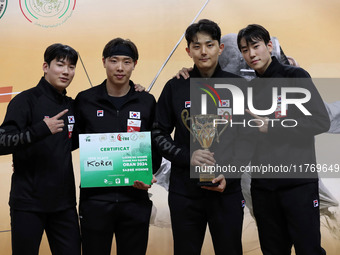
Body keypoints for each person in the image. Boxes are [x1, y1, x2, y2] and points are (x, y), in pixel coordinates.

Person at [153, 19, 252, 255]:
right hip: (184, 193)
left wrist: (229, 174)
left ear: (221, 48)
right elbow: (158, 132)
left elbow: (248, 138)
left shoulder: (238, 86)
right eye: (196, 46)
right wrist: (188, 157)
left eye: (210, 44)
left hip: (227, 191)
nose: (203, 51)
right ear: (188, 51)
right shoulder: (175, 86)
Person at [237, 24, 329, 255]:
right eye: (245, 50)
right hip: (263, 189)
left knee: (309, 250)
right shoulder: (248, 90)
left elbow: (320, 121)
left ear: (269, 46)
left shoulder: (296, 76)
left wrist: (273, 127)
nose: (251, 54)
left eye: (256, 46)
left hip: (298, 186)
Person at [75, 38, 161, 255]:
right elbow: (66, 141)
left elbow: (156, 146)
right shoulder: (85, 100)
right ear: (104, 62)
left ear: (135, 64)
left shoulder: (146, 101)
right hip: (95, 201)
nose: (120, 68)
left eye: (127, 61)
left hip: (135, 200)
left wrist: (150, 172)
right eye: (114, 61)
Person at [0, 44, 81, 255]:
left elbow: (77, 141)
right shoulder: (24, 101)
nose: (66, 71)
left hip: (64, 204)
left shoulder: (72, 105)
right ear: (46, 66)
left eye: (71, 67)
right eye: (60, 64)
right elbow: (1, 142)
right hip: (28, 203)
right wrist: (40, 130)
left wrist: (134, 88)